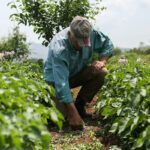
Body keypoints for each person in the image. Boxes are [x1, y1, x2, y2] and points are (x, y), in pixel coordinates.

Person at [44, 16, 114, 129]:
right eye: (79, 42)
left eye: (85, 42)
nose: (82, 46)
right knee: (61, 120)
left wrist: (102, 61)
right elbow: (61, 83)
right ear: (69, 35)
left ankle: (80, 105)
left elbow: (107, 44)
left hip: (76, 73)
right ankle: (48, 103)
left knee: (102, 72)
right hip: (56, 81)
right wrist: (72, 112)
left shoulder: (90, 33)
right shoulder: (60, 47)